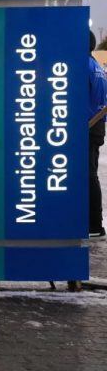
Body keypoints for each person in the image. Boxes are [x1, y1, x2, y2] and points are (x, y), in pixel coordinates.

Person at [88, 31, 107, 238]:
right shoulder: (97, 67)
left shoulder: (84, 66)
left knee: (88, 175)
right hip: (97, 125)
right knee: (90, 174)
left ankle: (94, 224)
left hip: (88, 125)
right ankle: (94, 223)